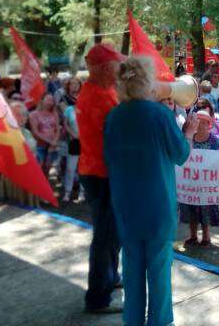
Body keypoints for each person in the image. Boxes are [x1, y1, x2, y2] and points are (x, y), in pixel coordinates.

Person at [104, 55, 192, 326]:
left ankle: (132, 321)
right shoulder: (161, 114)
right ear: (148, 82)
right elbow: (180, 155)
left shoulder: (113, 116)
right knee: (158, 273)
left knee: (131, 272)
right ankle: (160, 322)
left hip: (126, 205)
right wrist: (187, 133)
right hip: (158, 206)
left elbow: (109, 160)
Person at [76, 43, 125, 313]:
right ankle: (97, 298)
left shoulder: (101, 89)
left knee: (112, 234)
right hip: (101, 175)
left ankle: (111, 277)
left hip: (101, 172)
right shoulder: (97, 98)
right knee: (105, 237)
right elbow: (118, 135)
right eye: (117, 65)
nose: (120, 69)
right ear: (107, 68)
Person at [179, 110, 219, 246]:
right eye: (199, 121)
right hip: (190, 182)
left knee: (205, 209)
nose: (201, 125)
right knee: (190, 207)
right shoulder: (188, 138)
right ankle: (192, 236)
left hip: (206, 183)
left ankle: (206, 237)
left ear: (209, 124)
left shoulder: (214, 140)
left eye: (204, 122)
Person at [29, 93, 60, 179]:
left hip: (52, 147)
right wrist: (50, 142)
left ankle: (46, 189)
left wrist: (55, 141)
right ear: (42, 100)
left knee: (47, 170)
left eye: (52, 100)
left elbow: (57, 129)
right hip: (39, 146)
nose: (50, 102)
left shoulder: (55, 113)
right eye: (48, 99)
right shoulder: (34, 114)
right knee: (38, 170)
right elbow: (35, 132)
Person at [63, 101, 84, 203]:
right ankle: (68, 191)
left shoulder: (88, 108)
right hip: (74, 141)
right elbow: (65, 124)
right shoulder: (69, 109)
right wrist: (73, 134)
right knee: (70, 168)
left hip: (86, 142)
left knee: (83, 169)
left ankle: (82, 192)